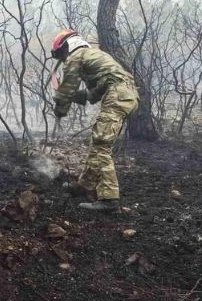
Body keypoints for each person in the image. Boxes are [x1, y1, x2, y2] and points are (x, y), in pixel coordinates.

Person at [51, 29, 139, 212]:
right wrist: (69, 94)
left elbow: (68, 87)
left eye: (61, 54)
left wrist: (60, 108)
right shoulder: (94, 56)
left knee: (101, 146)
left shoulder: (76, 56)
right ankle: (85, 185)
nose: (63, 59)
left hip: (118, 96)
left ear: (68, 46)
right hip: (125, 95)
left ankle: (109, 200)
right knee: (98, 142)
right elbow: (91, 95)